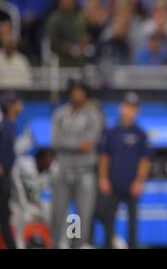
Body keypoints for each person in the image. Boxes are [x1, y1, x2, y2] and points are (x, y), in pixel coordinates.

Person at [51, 81, 103, 248]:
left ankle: (77, 246)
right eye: (74, 92)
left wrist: (68, 143)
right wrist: (77, 144)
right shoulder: (60, 114)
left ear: (85, 94)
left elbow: (89, 144)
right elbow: (56, 141)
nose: (76, 95)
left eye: (80, 92)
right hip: (63, 170)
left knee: (82, 216)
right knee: (57, 214)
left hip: (85, 172)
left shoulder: (93, 115)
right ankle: (55, 244)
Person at [97, 92, 151, 249]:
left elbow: (145, 160)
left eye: (133, 108)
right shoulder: (111, 132)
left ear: (137, 111)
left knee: (132, 223)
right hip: (112, 184)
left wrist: (140, 181)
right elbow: (104, 157)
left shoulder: (141, 134)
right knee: (108, 221)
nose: (129, 110)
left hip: (132, 185)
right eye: (127, 107)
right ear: (121, 107)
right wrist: (103, 179)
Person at [11, 148, 54, 249]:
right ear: (40, 158)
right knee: (20, 217)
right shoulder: (23, 164)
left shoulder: (49, 171)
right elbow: (14, 179)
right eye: (48, 160)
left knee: (55, 216)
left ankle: (53, 244)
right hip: (17, 204)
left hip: (35, 205)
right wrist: (22, 202)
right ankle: (19, 245)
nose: (49, 163)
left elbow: (48, 194)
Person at [0, 91, 23, 249]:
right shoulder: (5, 124)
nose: (20, 105)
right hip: (2, 175)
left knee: (5, 217)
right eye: (17, 102)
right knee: (3, 218)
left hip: (6, 174)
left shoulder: (10, 123)